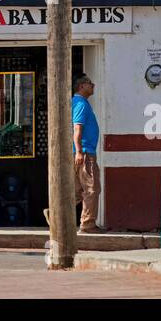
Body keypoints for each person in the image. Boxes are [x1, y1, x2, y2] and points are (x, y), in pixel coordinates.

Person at [72, 74, 101, 233]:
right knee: (91, 188)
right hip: (85, 153)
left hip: (81, 152)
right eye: (90, 83)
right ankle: (88, 225)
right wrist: (79, 151)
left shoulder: (78, 102)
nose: (93, 85)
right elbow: (77, 129)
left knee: (77, 190)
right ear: (81, 86)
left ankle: (54, 213)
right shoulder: (81, 104)